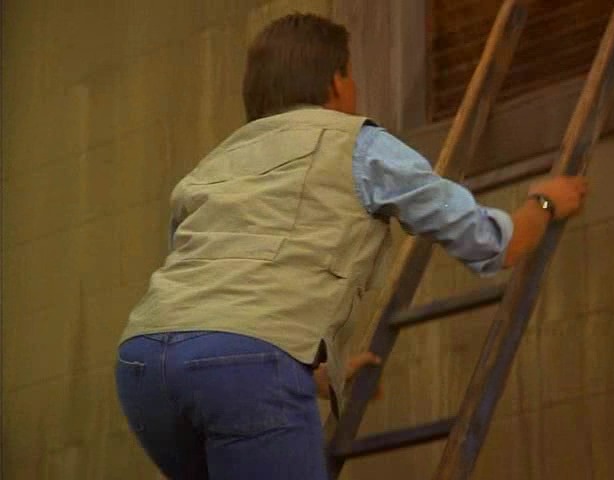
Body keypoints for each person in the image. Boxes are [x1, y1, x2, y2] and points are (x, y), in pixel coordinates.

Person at [114, 12, 588, 480]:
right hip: (247, 366)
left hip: (143, 366)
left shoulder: (212, 165)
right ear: (337, 83)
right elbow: (490, 242)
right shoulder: (360, 145)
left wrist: (314, 373)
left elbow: (211, 294)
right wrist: (543, 205)